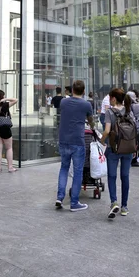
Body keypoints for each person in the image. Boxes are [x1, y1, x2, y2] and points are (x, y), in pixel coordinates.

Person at [55, 80, 94, 211]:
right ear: (83, 91)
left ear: (72, 90)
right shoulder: (86, 104)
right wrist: (92, 127)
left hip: (63, 139)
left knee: (64, 168)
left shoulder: (64, 102)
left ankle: (59, 197)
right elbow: (90, 120)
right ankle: (74, 203)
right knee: (78, 172)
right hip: (78, 140)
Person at [100, 88, 136, 219]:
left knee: (112, 176)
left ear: (114, 99)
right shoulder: (129, 111)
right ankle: (124, 206)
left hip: (113, 148)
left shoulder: (110, 112)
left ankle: (114, 202)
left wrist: (101, 141)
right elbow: (135, 128)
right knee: (125, 176)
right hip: (127, 147)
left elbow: (107, 131)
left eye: (110, 98)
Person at [0, 90, 18, 173]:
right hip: (4, 128)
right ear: (2, 97)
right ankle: (10, 167)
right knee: (9, 148)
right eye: (4, 96)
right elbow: (16, 100)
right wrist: (6, 99)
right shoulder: (5, 105)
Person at [127, 90, 139, 167]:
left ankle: (131, 158)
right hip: (137, 127)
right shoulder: (137, 106)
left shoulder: (125, 106)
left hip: (128, 128)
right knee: (137, 143)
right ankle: (135, 160)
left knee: (132, 143)